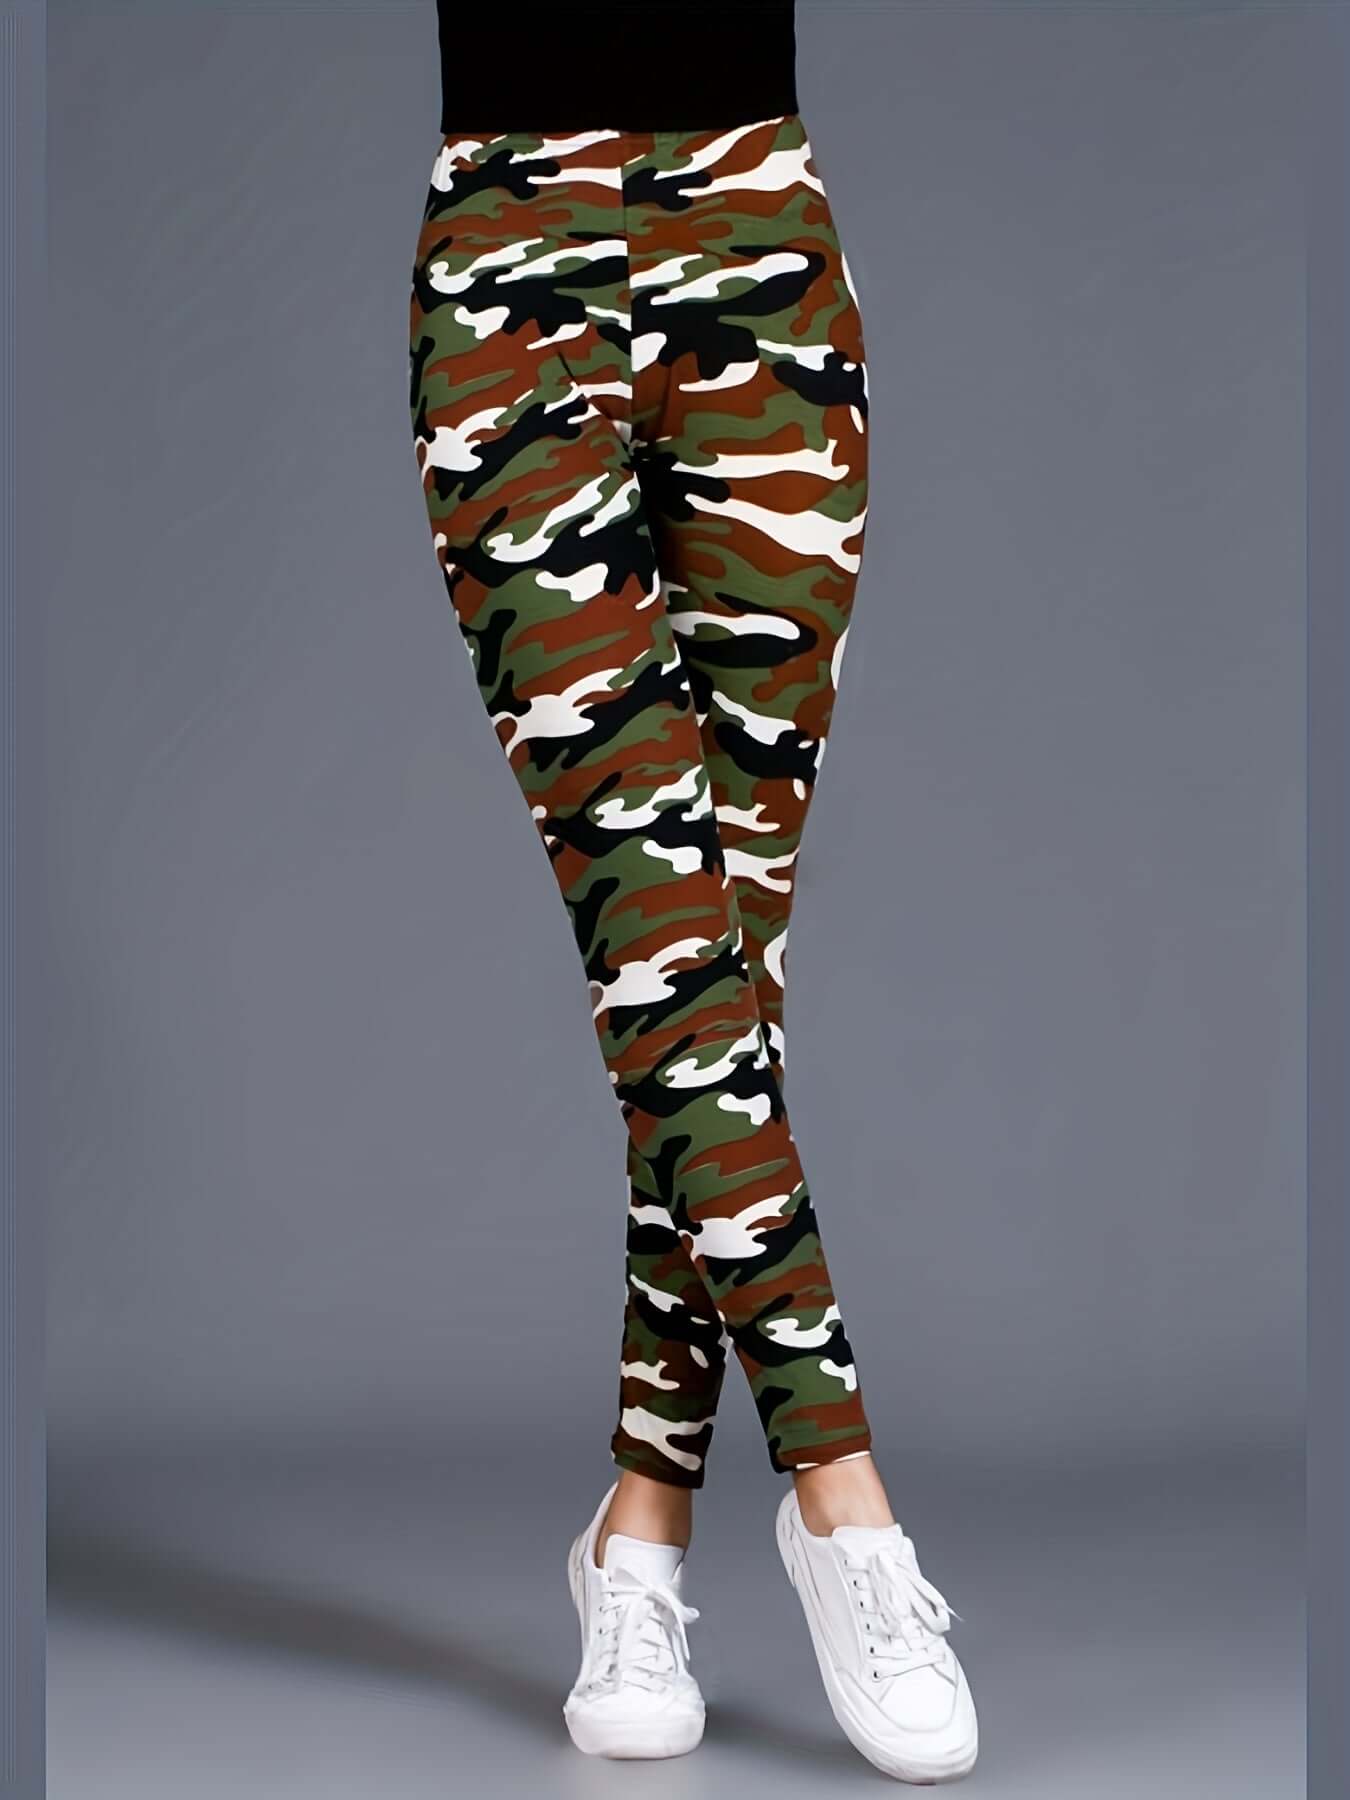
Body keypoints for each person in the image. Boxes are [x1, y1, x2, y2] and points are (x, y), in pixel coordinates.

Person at [407, 0, 978, 1782]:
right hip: (512, 265)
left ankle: (639, 1537)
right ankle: (842, 1493)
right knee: (660, 942)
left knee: (725, 976)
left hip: (761, 252)